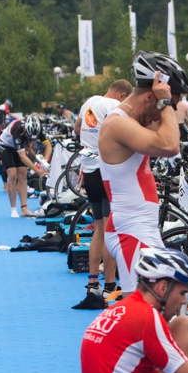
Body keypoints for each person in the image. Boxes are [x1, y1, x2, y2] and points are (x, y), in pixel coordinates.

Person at [98, 50, 188, 295]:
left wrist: (164, 104)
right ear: (151, 97)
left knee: (168, 303)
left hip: (142, 227)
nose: (163, 113)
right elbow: (170, 146)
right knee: (141, 314)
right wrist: (166, 102)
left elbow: (168, 132)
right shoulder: (117, 124)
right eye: (168, 102)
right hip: (131, 229)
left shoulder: (134, 119)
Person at [71, 79, 133, 310]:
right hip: (105, 169)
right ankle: (109, 285)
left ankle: (92, 284)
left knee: (98, 228)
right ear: (122, 95)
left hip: (89, 171)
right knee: (110, 229)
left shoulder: (89, 101)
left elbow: (78, 128)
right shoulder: (112, 107)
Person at [0, 115, 50, 217]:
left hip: (22, 144)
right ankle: (13, 209)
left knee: (23, 175)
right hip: (6, 146)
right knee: (12, 175)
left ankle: (24, 209)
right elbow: (22, 157)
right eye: (29, 136)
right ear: (25, 128)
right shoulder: (18, 130)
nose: (31, 139)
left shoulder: (39, 130)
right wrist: (37, 170)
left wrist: (44, 162)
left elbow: (48, 146)